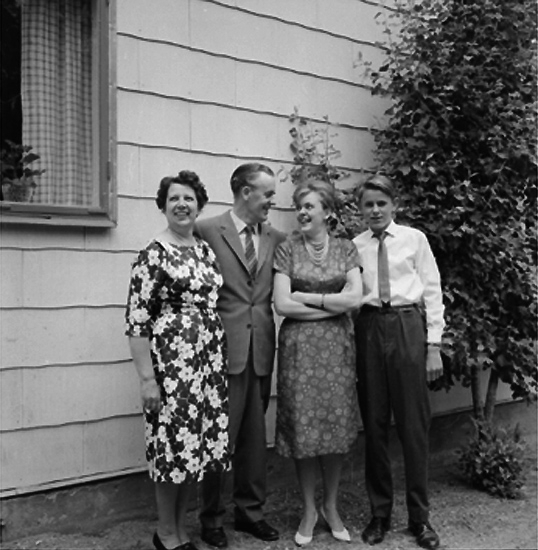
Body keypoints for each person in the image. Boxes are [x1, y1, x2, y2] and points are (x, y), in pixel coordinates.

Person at [125, 171, 230, 550]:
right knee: (172, 448)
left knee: (194, 448)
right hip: (172, 368)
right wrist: (147, 380)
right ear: (163, 206)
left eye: (188, 198)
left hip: (208, 365)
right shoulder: (153, 254)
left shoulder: (204, 250)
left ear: (199, 206)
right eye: (174, 198)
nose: (182, 204)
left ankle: (182, 529)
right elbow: (137, 323)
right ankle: (166, 533)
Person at [352, 174, 445, 550]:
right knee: (374, 424)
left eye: (381, 203)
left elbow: (433, 290)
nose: (375, 210)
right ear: (360, 209)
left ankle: (420, 518)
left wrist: (433, 345)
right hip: (370, 326)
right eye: (368, 204)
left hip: (408, 326)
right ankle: (380, 514)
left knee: (413, 425)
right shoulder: (355, 246)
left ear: (394, 205)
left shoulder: (414, 239)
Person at [195, 163, 285, 549]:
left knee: (253, 437)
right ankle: (211, 518)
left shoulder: (277, 238)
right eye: (267, 193)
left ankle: (250, 513)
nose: (272, 201)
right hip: (221, 350)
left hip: (261, 348)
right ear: (245, 192)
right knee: (219, 437)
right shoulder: (205, 230)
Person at [273, 179, 363, 547]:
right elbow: (282, 304)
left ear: (327, 211)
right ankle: (309, 509)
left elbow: (356, 298)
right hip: (299, 350)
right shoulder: (287, 249)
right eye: (300, 206)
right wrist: (332, 306)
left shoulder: (346, 248)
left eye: (309, 206)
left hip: (337, 350)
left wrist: (308, 298)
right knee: (304, 427)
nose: (302, 212)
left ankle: (331, 505)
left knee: (334, 425)